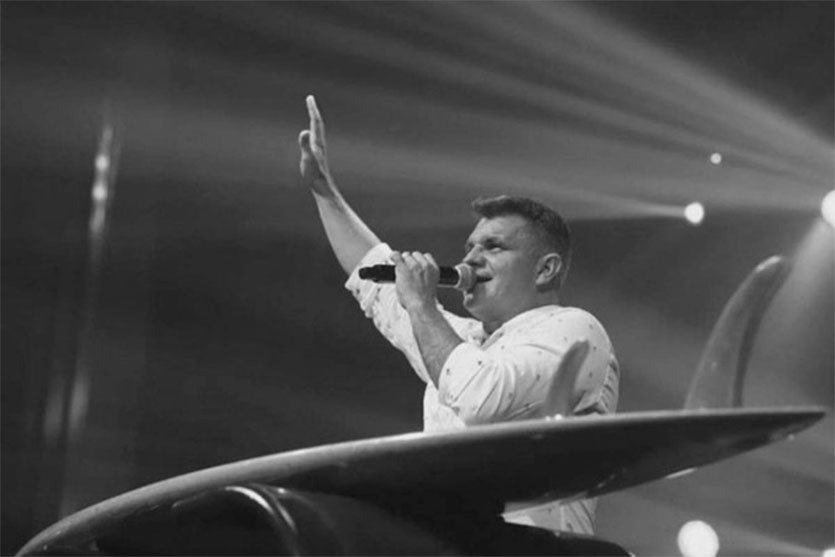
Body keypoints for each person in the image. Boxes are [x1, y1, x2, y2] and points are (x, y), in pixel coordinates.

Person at [297, 95, 619, 535]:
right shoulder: (464, 341)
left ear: (546, 269)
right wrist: (325, 191)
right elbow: (374, 279)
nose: (471, 258)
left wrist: (422, 306)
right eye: (469, 247)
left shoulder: (574, 329)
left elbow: (480, 399)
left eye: (493, 246)